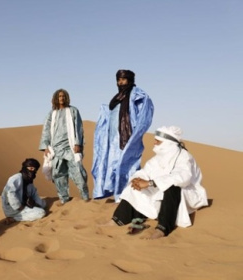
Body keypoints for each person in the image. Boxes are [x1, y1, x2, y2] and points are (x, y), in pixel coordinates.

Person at [106, 126, 208, 239]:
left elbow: (182, 177)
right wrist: (138, 179)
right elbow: (145, 171)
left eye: (158, 141)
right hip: (159, 187)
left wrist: (150, 183)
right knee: (134, 187)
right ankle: (117, 220)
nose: (154, 142)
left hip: (185, 192)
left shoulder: (184, 157)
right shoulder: (158, 158)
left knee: (172, 186)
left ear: (168, 143)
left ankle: (163, 228)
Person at [92, 69, 154, 202]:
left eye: (123, 79)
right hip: (113, 139)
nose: (120, 82)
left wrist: (136, 134)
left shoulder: (137, 94)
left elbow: (145, 114)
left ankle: (130, 197)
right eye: (118, 80)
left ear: (130, 80)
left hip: (128, 138)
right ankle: (118, 197)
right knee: (112, 167)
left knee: (128, 166)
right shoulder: (116, 98)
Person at [39, 88, 89, 205]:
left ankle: (85, 197)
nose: (62, 98)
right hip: (56, 149)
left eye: (63, 96)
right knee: (58, 174)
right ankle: (64, 199)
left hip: (71, 147)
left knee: (78, 171)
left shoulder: (73, 111)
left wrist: (78, 143)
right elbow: (45, 131)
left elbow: (79, 128)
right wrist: (45, 146)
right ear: (56, 99)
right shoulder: (51, 114)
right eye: (59, 96)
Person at [1, 158, 47, 224]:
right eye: (31, 168)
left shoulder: (29, 183)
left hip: (23, 207)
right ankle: (13, 218)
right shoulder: (16, 178)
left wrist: (38, 204)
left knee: (42, 207)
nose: (33, 171)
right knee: (41, 212)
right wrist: (19, 206)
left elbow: (35, 195)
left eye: (35, 169)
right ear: (25, 168)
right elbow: (10, 193)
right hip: (12, 209)